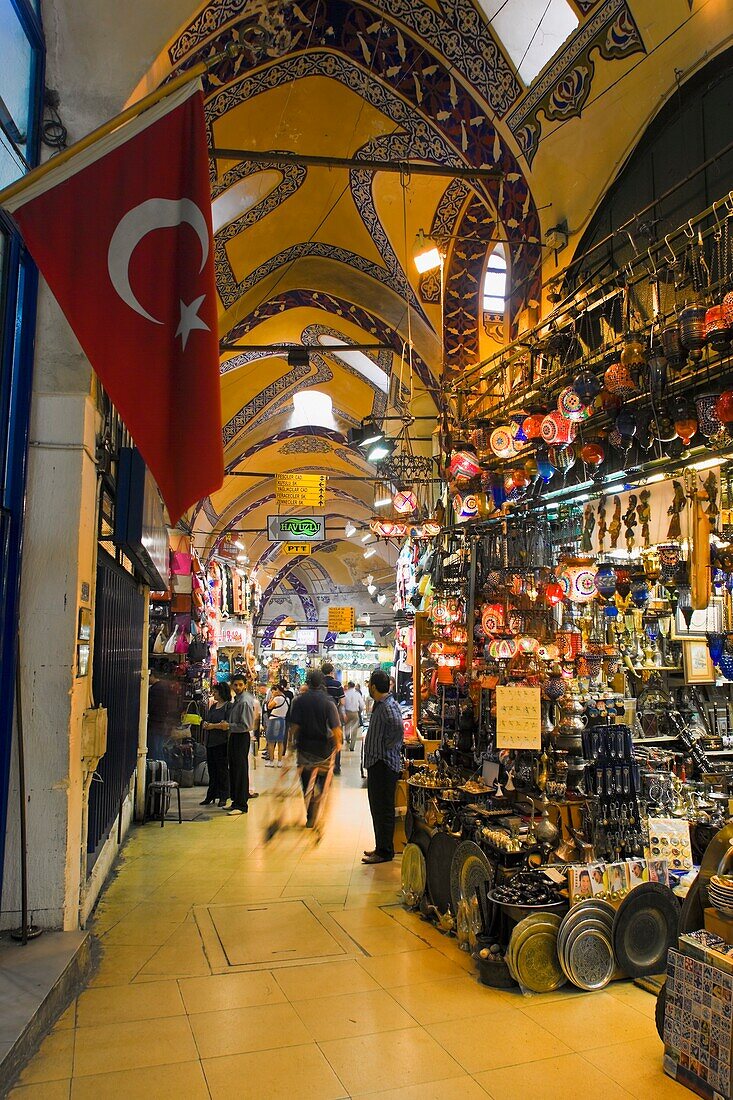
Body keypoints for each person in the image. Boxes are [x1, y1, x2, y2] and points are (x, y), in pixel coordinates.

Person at [288, 669, 343, 828]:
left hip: (304, 748)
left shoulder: (299, 701)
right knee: (323, 781)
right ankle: (318, 798)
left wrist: (292, 745)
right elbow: (336, 728)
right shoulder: (328, 702)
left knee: (306, 784)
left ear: (308, 682)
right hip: (323, 749)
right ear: (322, 683)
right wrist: (338, 743)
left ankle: (310, 814)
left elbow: (294, 727)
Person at [362, 669, 404, 864]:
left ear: (373, 686)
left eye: (370, 684)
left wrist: (385, 751)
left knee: (384, 808)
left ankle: (385, 851)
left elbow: (397, 729)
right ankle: (380, 847)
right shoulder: (381, 704)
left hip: (384, 765)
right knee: (377, 808)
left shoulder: (388, 706)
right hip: (377, 764)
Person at [222, 674, 255, 815]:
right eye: (235, 685)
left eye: (240, 685)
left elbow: (246, 725)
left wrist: (228, 726)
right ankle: (235, 801)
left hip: (241, 737)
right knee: (234, 768)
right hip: (234, 737)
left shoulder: (245, 702)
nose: (238, 687)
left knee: (240, 770)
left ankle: (241, 805)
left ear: (245, 685)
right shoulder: (238, 700)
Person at [201, 681, 231, 807]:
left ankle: (223, 795)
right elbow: (207, 719)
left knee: (222, 770)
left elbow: (227, 725)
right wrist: (205, 724)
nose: (213, 694)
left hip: (222, 743)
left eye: (216, 692)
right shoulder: (213, 706)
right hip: (210, 742)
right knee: (212, 770)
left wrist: (213, 726)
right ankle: (211, 794)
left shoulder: (228, 707)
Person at [321, 661, 346, 775]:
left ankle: (323, 764)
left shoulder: (319, 684)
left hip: (320, 715)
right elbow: (342, 701)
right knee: (336, 740)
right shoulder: (337, 684)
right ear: (332, 672)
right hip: (334, 714)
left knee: (322, 739)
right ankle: (336, 767)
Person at [147, 668, 173, 760]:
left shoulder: (156, 689)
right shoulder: (163, 686)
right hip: (162, 723)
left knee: (154, 749)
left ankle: (156, 769)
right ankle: (162, 768)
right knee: (158, 747)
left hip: (155, 723)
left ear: (152, 676)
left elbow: (152, 706)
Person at [265, 681, 289, 766]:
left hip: (274, 720)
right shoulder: (287, 699)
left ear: (278, 690)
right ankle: (280, 761)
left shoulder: (277, 698)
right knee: (280, 741)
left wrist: (272, 697)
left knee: (271, 741)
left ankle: (271, 761)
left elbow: (269, 706)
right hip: (283, 720)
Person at [343, 680, 363, 751]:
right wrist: (359, 712)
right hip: (355, 713)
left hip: (347, 712)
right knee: (354, 730)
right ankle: (352, 747)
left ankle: (347, 739)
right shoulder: (357, 694)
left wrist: (344, 713)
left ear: (348, 686)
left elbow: (343, 704)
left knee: (347, 726)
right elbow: (361, 704)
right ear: (354, 686)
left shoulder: (345, 693)